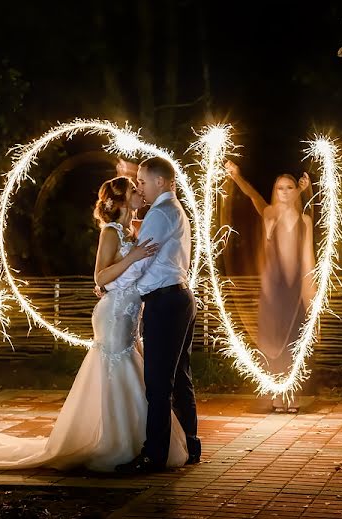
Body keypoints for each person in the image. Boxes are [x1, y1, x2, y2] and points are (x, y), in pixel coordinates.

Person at [0, 176, 190, 471]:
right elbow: (100, 277)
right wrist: (131, 259)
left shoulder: (132, 231)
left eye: (139, 188)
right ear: (120, 201)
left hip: (131, 311)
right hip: (113, 314)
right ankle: (114, 442)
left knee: (131, 367)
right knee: (116, 368)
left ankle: (135, 441)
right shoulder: (110, 232)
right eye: (133, 191)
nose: (139, 194)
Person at [115, 156, 201, 474]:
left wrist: (112, 283)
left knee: (158, 383)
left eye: (142, 181)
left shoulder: (161, 213)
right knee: (180, 377)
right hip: (179, 297)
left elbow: (141, 262)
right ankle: (190, 444)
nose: (139, 186)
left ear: (160, 182)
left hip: (166, 303)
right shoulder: (174, 211)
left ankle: (154, 455)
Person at [225, 160, 316, 413]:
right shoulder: (269, 216)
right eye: (279, 188)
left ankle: (293, 393)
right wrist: (237, 177)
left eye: (289, 188)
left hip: (295, 289)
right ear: (274, 192)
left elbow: (309, 259)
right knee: (275, 343)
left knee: (295, 340)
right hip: (274, 290)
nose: (284, 192)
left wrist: (312, 296)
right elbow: (252, 196)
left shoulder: (305, 221)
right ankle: (277, 393)